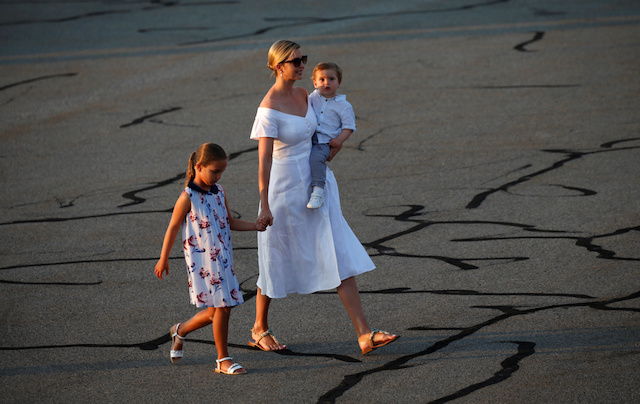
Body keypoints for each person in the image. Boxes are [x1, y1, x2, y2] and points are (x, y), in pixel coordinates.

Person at [248, 40, 399, 355]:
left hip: (318, 185)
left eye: (304, 58)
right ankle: (259, 327)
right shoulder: (268, 108)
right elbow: (263, 161)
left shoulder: (305, 94)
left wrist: (338, 142)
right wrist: (264, 203)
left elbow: (323, 128)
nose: (302, 65)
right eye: (295, 61)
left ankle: (364, 334)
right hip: (285, 191)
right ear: (278, 67)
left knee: (336, 252)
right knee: (276, 257)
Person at [154, 143, 267, 375]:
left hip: (223, 259)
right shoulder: (188, 197)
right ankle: (222, 359)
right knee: (223, 308)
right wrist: (163, 258)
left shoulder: (219, 191)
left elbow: (229, 221)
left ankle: (180, 330)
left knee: (216, 311)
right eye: (215, 171)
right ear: (199, 166)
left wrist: (255, 226)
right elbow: (173, 227)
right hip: (203, 263)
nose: (218, 176)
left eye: (221, 172)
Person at [306, 62, 356, 209]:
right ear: (315, 82)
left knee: (316, 159)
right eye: (321, 79)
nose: (326, 82)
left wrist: (339, 140)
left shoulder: (343, 105)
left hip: (325, 142)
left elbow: (349, 127)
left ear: (339, 82)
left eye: (331, 79)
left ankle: (318, 191)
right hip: (308, 138)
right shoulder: (311, 98)